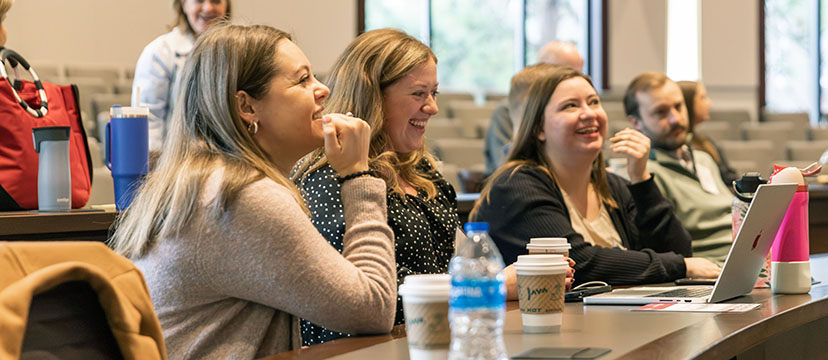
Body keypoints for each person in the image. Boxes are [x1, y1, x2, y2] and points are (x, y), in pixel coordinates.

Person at [110, 23, 396, 359]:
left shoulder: (205, 180)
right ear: (247, 107)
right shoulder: (240, 197)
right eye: (302, 80)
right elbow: (373, 309)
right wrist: (358, 175)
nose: (323, 89)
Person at [472, 66, 720, 285]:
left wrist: (641, 180)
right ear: (539, 129)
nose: (588, 113)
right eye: (570, 106)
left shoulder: (612, 186)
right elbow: (578, 262)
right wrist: (679, 266)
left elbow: (678, 250)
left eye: (593, 102)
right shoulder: (517, 184)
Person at [291, 28, 460, 346]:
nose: (432, 107)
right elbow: (360, 302)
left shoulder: (424, 173)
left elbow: (458, 262)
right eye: (418, 94)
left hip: (431, 342)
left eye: (434, 93)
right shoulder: (329, 179)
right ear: (374, 97)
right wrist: (477, 288)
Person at [624, 72, 736, 263]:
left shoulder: (703, 159)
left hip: (748, 261)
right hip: (708, 271)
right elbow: (666, 246)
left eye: (678, 106)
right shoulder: (643, 176)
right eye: (661, 112)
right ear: (636, 122)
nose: (676, 119)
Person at [132, 0, 230, 151]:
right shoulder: (160, 52)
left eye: (216, 0)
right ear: (183, 4)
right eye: (199, 0)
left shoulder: (234, 52)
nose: (208, 7)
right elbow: (149, 123)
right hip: (174, 163)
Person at [484, 41, 584, 177]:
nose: (573, 81)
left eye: (578, 74)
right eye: (564, 73)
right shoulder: (507, 111)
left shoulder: (582, 113)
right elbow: (506, 167)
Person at [678, 80, 737, 185]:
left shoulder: (704, 141)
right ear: (688, 104)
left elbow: (729, 178)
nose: (709, 103)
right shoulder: (682, 148)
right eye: (703, 98)